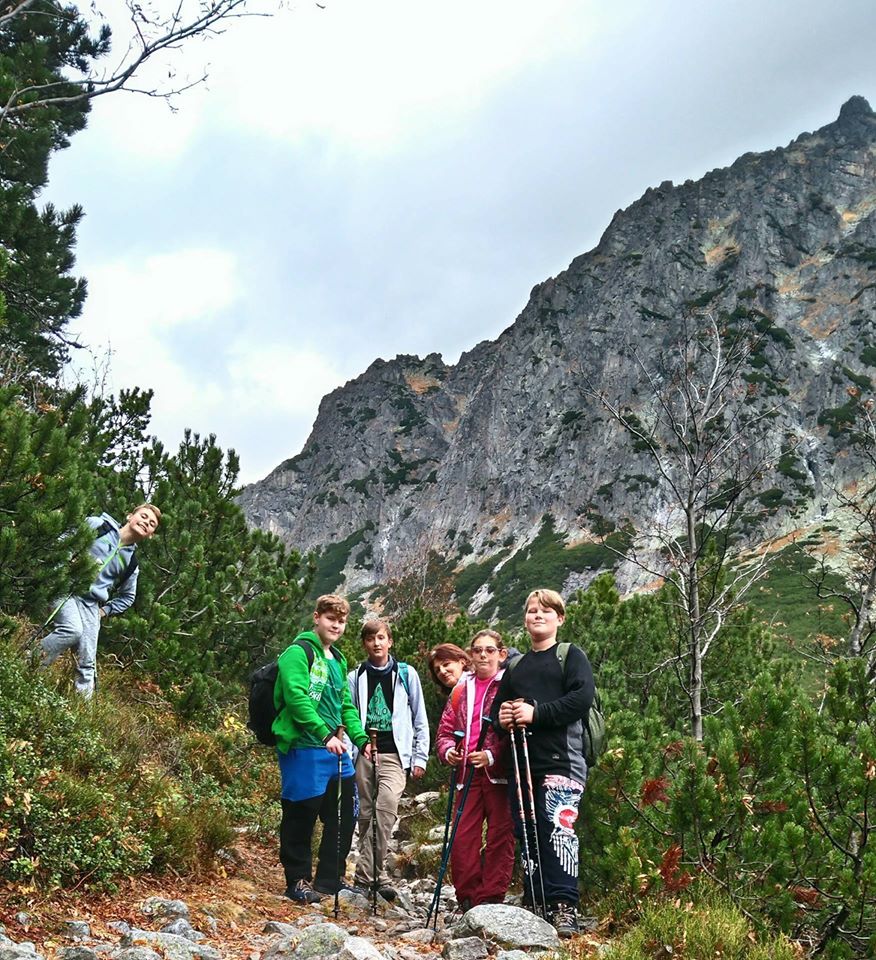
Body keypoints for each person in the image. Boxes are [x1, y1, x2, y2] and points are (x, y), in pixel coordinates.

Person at [492, 589, 594, 938]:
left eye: (546, 611)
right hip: (521, 765)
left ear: (559, 619)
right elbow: (498, 711)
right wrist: (503, 718)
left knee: (559, 830)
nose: (537, 615)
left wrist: (536, 713)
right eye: (532, 610)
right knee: (528, 832)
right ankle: (536, 901)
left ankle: (564, 906)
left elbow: (581, 699)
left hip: (563, 762)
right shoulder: (515, 666)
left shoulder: (570, 655)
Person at [273, 594, 372, 903]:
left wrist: (361, 740)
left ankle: (330, 878)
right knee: (300, 815)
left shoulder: (338, 659)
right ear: (316, 617)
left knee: (344, 815)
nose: (336, 626)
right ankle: (297, 880)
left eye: (341, 621)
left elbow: (345, 705)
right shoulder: (297, 652)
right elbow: (296, 698)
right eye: (331, 619)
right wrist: (324, 734)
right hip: (303, 747)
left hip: (335, 750)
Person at [39, 504, 161, 698]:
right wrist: (62, 567)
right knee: (71, 631)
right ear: (130, 516)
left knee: (87, 663)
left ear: (151, 535)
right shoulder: (99, 526)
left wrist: (104, 611)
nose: (146, 522)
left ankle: (82, 711)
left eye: (152, 524)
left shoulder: (131, 563)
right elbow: (67, 537)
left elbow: (128, 597)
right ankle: (29, 664)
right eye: (144, 516)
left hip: (91, 604)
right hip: (66, 586)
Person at [348, 619, 430, 900]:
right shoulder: (355, 676)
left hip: (395, 753)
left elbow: (420, 717)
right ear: (365, 644)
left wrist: (420, 757)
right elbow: (350, 715)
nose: (377, 643)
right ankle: (377, 874)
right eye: (371, 639)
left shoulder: (406, 674)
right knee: (366, 814)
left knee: (386, 806)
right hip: (363, 751)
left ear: (390, 641)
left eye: (381, 638)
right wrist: (351, 751)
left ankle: (364, 874)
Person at [435, 629, 514, 911]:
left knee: (500, 836)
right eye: (477, 650)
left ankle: (491, 897)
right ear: (470, 655)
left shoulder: (509, 685)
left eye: (489, 650)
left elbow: (515, 731)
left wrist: (492, 755)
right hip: (466, 773)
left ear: (501, 654)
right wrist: (449, 752)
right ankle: (467, 897)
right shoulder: (461, 689)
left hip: (499, 774)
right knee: (462, 837)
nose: (483, 655)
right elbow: (444, 732)